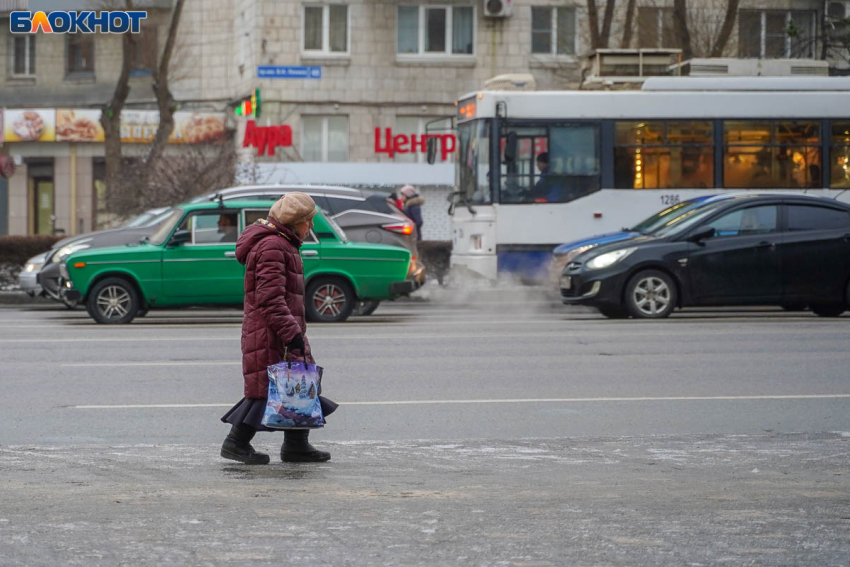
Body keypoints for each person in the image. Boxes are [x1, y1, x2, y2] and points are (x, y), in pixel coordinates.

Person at [220, 192, 334, 464]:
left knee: (299, 383)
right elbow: (270, 298)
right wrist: (291, 332)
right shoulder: (273, 246)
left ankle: (296, 445)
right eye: (309, 222)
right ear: (295, 222)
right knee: (267, 389)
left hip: (279, 329)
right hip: (272, 331)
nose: (311, 228)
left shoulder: (283, 243)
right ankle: (235, 443)